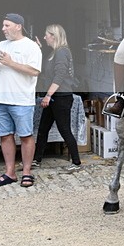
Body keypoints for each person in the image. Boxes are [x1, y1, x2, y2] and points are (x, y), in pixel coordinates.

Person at [0, 13, 42, 187]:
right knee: (5, 136)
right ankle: (10, 173)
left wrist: (10, 62)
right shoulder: (0, 45)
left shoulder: (31, 47)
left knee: (26, 136)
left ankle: (27, 172)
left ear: (18, 26)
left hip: (21, 99)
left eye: (7, 25)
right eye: (3, 25)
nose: (3, 29)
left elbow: (35, 71)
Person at [33, 24, 82, 172]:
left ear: (53, 36)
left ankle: (76, 162)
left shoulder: (62, 52)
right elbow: (46, 71)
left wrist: (48, 95)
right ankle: (36, 160)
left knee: (64, 129)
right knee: (43, 129)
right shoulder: (53, 53)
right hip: (55, 96)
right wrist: (38, 49)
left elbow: (59, 76)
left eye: (46, 35)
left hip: (60, 97)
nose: (44, 37)